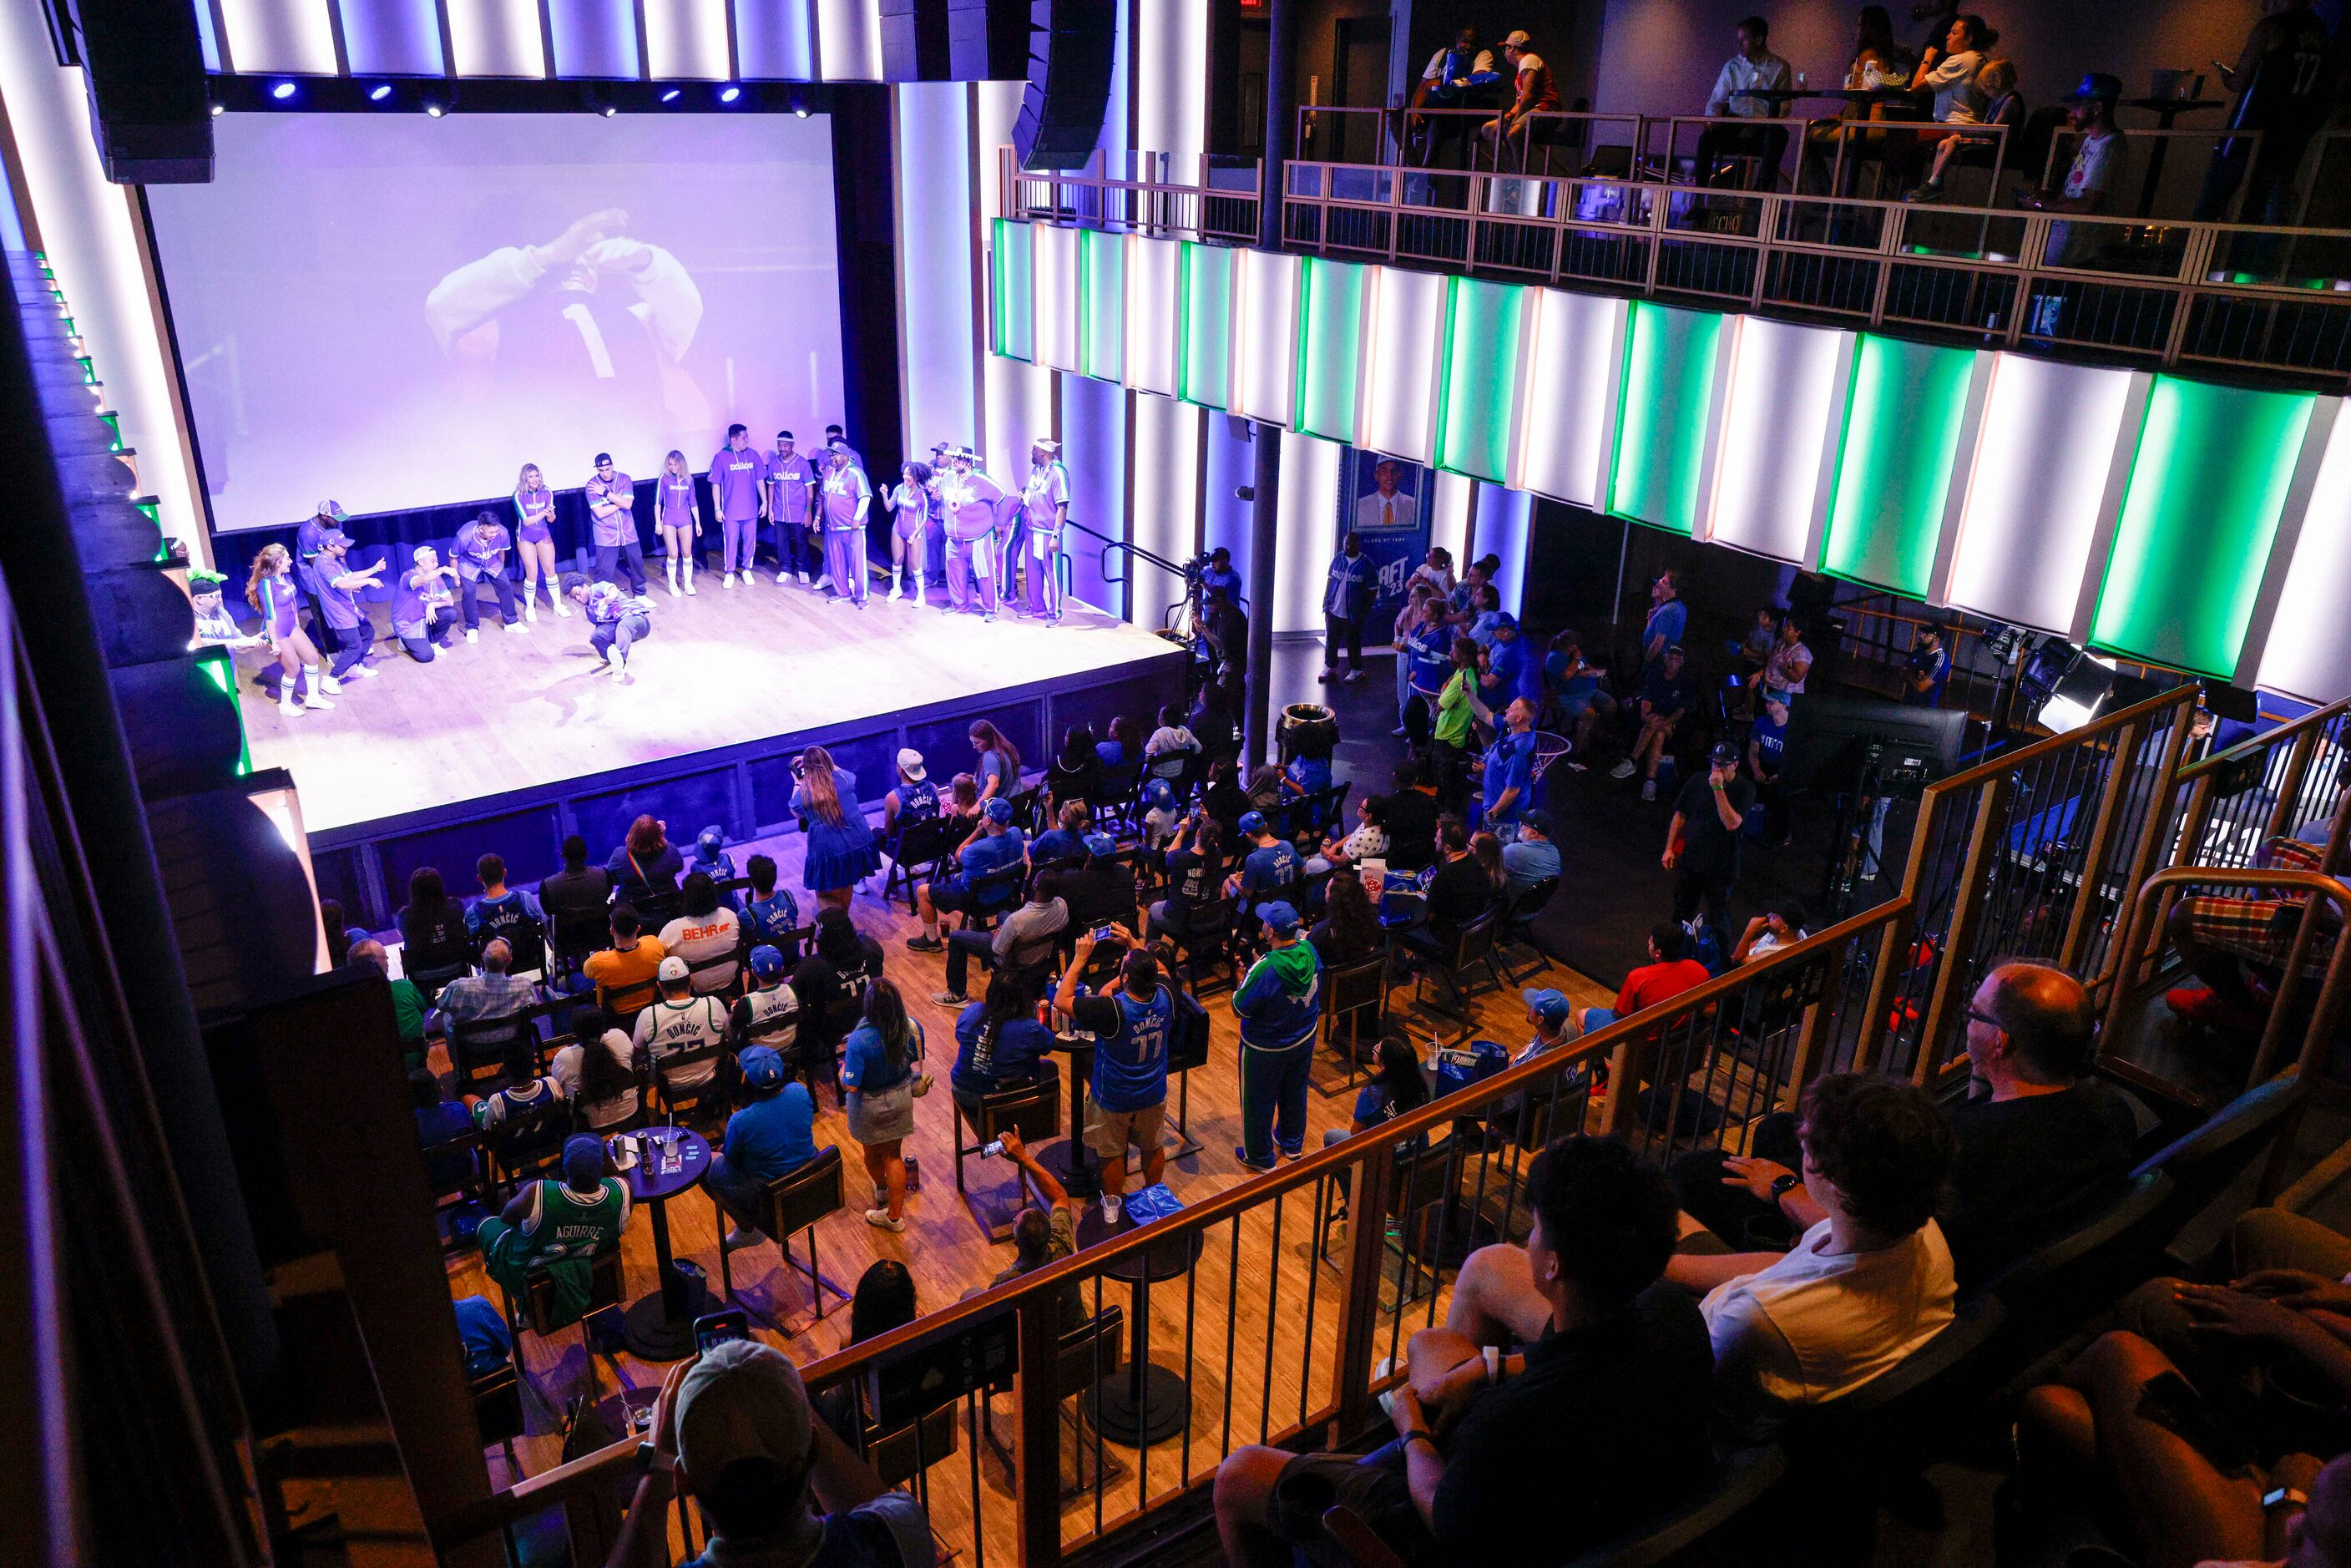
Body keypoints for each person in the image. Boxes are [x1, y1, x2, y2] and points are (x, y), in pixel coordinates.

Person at [1213, 1136, 1712, 1568]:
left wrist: (1412, 1432)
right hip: (1597, 1514)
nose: (1529, 1239)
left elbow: (1442, 1514)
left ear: (1553, 1266)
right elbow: (1573, 1358)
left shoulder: (1513, 1423)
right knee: (1429, 1345)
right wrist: (1487, 1367)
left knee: (1238, 1476)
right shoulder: (1675, 1317)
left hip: (1452, 1540)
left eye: (1536, 1228)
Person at [1668, 1073, 1957, 1434]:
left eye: (1806, 1144)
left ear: (1835, 1185)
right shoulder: (1924, 1235)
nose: (1800, 1143)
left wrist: (1641, 1264)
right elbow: (1793, 1269)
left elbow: (1687, 1388)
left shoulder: (1757, 1319)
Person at [602, 1338, 931, 1568]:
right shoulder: (897, 1535)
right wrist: (783, 1398)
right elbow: (882, 1508)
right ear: (813, 1447)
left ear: (683, 1481)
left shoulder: (895, 1530)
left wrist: (658, 1461)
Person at [1057, 926, 1175, 1221]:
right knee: (1152, 1147)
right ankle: (1154, 1200)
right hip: (1153, 1092)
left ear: (1124, 979)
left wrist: (1080, 958)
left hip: (1114, 1096)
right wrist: (1134, 945)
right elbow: (1161, 970)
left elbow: (1062, 1000)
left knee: (1111, 1154)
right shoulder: (1167, 994)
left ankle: (1112, 1207)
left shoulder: (1113, 1009)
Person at [2197, 0, 2332, 228]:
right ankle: (2252, 261)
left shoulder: (2271, 27)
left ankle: (2195, 257)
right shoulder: (2320, 30)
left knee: (2210, 204)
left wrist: (2225, 75)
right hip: (2289, 137)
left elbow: (2239, 81)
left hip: (2248, 133)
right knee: (2264, 210)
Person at [475, 1135, 630, 1320]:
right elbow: (617, 1178)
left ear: (564, 1168)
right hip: (594, 1272)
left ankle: (526, 1303)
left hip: (532, 1276)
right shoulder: (622, 1193)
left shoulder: (537, 1193)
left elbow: (506, 1218)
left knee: (485, 1225)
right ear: (602, 1167)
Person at [1231, 902, 1322, 1172]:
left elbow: (1239, 1008)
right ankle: (1292, 1143)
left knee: (1258, 1101)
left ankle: (1259, 1157)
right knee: (1295, 1090)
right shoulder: (1309, 950)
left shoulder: (1265, 968)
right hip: (1304, 1036)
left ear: (1270, 931)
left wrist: (1241, 977)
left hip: (1265, 1047)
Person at [705, 1046, 820, 1247]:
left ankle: (748, 1228)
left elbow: (731, 1159)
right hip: (809, 1185)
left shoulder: (741, 1121)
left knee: (707, 1167)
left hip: (770, 1194)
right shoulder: (799, 1092)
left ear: (746, 1081)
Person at [978, 1128, 1089, 1324]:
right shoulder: (1062, 1245)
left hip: (1035, 1349)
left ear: (1017, 1242)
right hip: (1077, 1336)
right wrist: (1024, 1157)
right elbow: (1060, 1196)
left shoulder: (1005, 1283)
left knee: (970, 1295)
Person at [840, 977, 923, 1232]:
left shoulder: (858, 1040)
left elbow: (851, 1085)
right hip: (900, 1097)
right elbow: (916, 1061)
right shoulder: (910, 1027)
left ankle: (883, 1190)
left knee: (872, 1153)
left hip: (868, 1104)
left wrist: (843, 1070)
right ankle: (894, 1216)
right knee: (893, 1156)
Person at [1318, 1030, 1431, 1216]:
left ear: (1385, 1065)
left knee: (1331, 1138)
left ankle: (1354, 1206)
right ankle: (1393, 1225)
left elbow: (1356, 1135)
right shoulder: (1420, 1086)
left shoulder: (1372, 1094)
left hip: (1386, 1162)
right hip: (1416, 1156)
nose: (1374, 1049)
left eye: (1378, 1050)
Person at [1890, 13, 1999, 198]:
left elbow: (1917, 86)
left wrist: (1927, 58)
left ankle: (1904, 192)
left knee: (1901, 141)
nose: (1948, 37)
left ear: (1969, 38)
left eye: (1954, 33)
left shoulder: (1960, 60)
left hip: (1955, 125)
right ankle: (1923, 186)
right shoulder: (1980, 59)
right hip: (1970, 124)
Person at [2028, 73, 2126, 270]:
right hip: (2068, 248)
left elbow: (2088, 204)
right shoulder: (2093, 141)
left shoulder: (2109, 147)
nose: (2072, 113)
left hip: (2078, 253)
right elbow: (2078, 191)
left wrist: (2044, 204)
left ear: (2097, 108)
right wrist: (2053, 198)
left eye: (2078, 106)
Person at [1666, 741, 1757, 952]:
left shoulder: (1745, 789)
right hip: (1692, 859)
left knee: (1718, 915)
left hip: (1721, 865)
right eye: (1715, 763)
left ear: (1735, 765)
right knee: (1681, 911)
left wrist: (1717, 788)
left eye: (1723, 765)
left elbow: (1731, 822)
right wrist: (1669, 847)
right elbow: (1681, 814)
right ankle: (1673, 954)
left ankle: (1722, 964)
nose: (1717, 769)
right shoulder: (1698, 780)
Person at [936, 867, 1067, 1008]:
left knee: (956, 938)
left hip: (1014, 961)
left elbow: (997, 950)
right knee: (1003, 914)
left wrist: (1000, 931)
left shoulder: (1017, 921)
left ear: (1036, 886)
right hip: (1042, 956)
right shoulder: (1062, 905)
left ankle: (957, 994)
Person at [909, 797, 1026, 951]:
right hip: (1007, 895)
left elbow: (958, 854)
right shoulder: (1017, 834)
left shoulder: (978, 849)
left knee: (922, 891)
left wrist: (977, 831)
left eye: (985, 814)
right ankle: (975, 923)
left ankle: (931, 940)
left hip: (977, 900)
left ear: (988, 821)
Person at [1906, 55, 2020, 200]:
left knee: (1954, 139)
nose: (1985, 93)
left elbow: (1994, 130)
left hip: (1998, 144)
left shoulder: (2010, 100)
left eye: (1987, 89)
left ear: (1997, 83)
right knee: (1942, 144)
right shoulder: (1998, 99)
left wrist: (1964, 130)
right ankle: (1933, 182)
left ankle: (1935, 183)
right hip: (1992, 138)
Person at [1699, 17, 1792, 189]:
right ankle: (1699, 197)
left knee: (1779, 135)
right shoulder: (1731, 67)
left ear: (1759, 40)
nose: (1739, 44)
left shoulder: (1780, 67)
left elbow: (1784, 107)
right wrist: (1713, 120)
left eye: (1744, 39)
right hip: (1735, 123)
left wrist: (1762, 122)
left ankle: (1760, 194)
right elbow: (1716, 100)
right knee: (1706, 139)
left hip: (1765, 127)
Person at [248, 543, 336, 716]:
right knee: (293, 668)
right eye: (286, 559)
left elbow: (293, 603)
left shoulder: (287, 578)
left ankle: (313, 698)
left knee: (312, 657)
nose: (290, 562)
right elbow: (271, 615)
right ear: (276, 563)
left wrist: (296, 625)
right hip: (276, 632)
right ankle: (285, 705)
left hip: (291, 627)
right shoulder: (266, 585)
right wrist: (274, 643)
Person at [1577, 922, 1711, 1035]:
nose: (1648, 942)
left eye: (1651, 941)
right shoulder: (1699, 970)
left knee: (1583, 1016)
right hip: (1678, 1039)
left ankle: (1601, 1066)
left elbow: (1619, 1014)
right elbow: (1710, 1010)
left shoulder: (1638, 977)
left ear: (1658, 952)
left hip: (1642, 1043)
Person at [793, 745, 881, 908]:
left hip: (829, 848)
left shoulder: (805, 791)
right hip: (859, 842)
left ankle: (832, 930)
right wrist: (821, 761)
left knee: (824, 893)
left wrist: (798, 782)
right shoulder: (846, 779)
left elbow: (796, 811)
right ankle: (843, 923)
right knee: (847, 881)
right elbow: (839, 770)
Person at [950, 967, 1054, 1101]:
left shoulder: (972, 1012)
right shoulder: (1029, 1028)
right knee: (1050, 1068)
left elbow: (960, 1037)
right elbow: (1049, 1044)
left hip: (961, 1088)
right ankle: (1033, 1119)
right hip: (998, 1098)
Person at [633, 954, 729, 1100]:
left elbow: (638, 1050)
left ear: (659, 985)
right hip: (709, 1076)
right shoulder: (713, 1005)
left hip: (667, 1085)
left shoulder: (648, 1016)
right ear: (690, 980)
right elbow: (727, 1035)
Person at [1406, 27, 1499, 169]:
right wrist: (1414, 110)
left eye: (1473, 43)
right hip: (1435, 106)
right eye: (1465, 42)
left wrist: (1444, 81)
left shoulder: (1483, 55)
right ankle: (1414, 166)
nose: (1468, 46)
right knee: (1396, 118)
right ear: (1457, 40)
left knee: (1437, 122)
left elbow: (1477, 78)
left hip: (1458, 112)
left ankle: (1425, 170)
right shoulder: (1442, 54)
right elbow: (1423, 86)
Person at [435, 938, 543, 1059]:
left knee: (446, 1017)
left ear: (482, 957)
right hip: (511, 1041)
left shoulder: (459, 987)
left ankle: (458, 1064)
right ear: (510, 961)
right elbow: (535, 1009)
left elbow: (442, 1005)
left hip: (472, 1046)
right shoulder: (524, 986)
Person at [1614, 644, 1696, 802]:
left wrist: (1664, 721)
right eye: (1670, 658)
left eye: (1677, 659)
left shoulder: (1685, 681)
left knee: (1657, 726)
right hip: (1654, 722)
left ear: (1682, 662)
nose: (1673, 662)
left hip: (1672, 723)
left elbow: (1680, 711)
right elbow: (1646, 701)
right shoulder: (1655, 675)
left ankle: (1632, 760)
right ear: (1665, 659)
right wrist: (1647, 716)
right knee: (1657, 734)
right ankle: (1650, 782)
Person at [308, 530, 385, 684]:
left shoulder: (335, 560)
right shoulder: (324, 563)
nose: (346, 548)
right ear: (330, 546)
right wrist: (369, 581)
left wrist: (374, 570)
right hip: (339, 611)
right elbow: (342, 584)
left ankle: (356, 667)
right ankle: (332, 678)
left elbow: (348, 577)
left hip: (348, 607)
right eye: (342, 546)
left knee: (367, 632)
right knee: (355, 646)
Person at [550, 1002, 640, 1132]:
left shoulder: (564, 1058)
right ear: (603, 1026)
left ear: (574, 1032)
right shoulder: (619, 1037)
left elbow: (560, 1092)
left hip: (591, 1126)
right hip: (631, 1114)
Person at [1479, 29, 1561, 169]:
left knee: (1513, 134)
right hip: (1533, 110)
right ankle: (1512, 162)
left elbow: (1528, 96)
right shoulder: (1523, 66)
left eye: (1505, 48)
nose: (1505, 52)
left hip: (1547, 110)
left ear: (1512, 49)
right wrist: (1509, 115)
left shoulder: (1529, 60)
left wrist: (1514, 121)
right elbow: (1521, 100)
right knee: (1488, 129)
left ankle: (1520, 176)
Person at [941, 444, 1005, 618]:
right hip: (954, 539)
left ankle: (990, 609)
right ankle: (959, 605)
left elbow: (1002, 497)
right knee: (954, 574)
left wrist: (999, 524)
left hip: (979, 538)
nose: (955, 461)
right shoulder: (947, 478)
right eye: (954, 458)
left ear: (968, 461)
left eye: (959, 458)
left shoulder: (981, 480)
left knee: (984, 574)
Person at [659, 872, 741, 994]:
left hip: (693, 993)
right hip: (730, 984)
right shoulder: (730, 916)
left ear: (685, 898)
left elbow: (658, 961)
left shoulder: (671, 930)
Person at [583, 904, 667, 1021]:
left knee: (575, 979)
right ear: (638, 928)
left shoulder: (597, 962)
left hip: (615, 1017)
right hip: (650, 1010)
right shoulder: (655, 945)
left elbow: (586, 972)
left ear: (611, 930)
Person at [399, 865, 473, 997]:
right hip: (456, 967)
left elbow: (404, 935)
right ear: (440, 886)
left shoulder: (404, 916)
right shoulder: (455, 906)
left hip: (421, 974)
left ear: (413, 891)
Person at [564, 572, 655, 679]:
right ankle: (613, 659)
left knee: (623, 624)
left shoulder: (597, 588)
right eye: (574, 598)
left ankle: (621, 663)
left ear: (584, 586)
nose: (578, 599)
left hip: (638, 621)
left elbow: (612, 590)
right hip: (622, 630)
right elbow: (602, 630)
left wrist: (608, 599)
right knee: (596, 636)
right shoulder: (590, 612)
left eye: (578, 594)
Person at [707, 424, 766, 589]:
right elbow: (715, 484)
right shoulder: (721, 457)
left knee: (750, 541)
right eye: (743, 438)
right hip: (731, 512)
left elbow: (760, 480)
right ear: (733, 439)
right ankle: (730, 572)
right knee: (731, 542)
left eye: (747, 437)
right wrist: (717, 508)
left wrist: (765, 502)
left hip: (751, 510)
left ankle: (747, 569)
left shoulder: (753, 455)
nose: (747, 440)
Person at [1430, 635, 1484, 813]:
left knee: (1446, 779)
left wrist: (1443, 691)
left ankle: (1450, 814)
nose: (1450, 654)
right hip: (1454, 734)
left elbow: (1441, 704)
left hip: (1449, 735)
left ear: (1462, 656)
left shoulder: (1462, 679)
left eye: (1454, 651)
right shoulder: (1467, 673)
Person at [351, 938, 427, 1060]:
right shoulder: (405, 988)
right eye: (384, 957)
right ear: (374, 963)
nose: (388, 960)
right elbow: (423, 1009)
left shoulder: (350, 1006)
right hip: (415, 1064)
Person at [1147, 812, 1220, 942]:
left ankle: (1150, 953)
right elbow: (1211, 839)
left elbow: (1169, 856)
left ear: (1198, 834)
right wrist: (1207, 821)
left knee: (1153, 909)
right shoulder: (1218, 856)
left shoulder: (1181, 858)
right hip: (1207, 918)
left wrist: (1181, 831)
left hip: (1181, 921)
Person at [470, 1035, 568, 1130]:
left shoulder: (496, 1103)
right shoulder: (552, 1085)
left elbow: (488, 1133)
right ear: (534, 1065)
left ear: (506, 1070)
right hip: (551, 1143)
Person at [1019, 438, 1070, 620]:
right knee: (1033, 572)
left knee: (1052, 574)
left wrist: (1056, 536)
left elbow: (1062, 508)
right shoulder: (1037, 469)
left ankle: (1055, 613)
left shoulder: (1058, 473)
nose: (1031, 452)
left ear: (1043, 452)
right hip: (1032, 529)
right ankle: (1035, 607)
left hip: (1048, 533)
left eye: (1033, 449)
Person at [817, 441, 872, 606]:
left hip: (852, 527)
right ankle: (842, 592)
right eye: (831, 454)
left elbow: (865, 497)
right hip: (833, 527)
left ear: (845, 456)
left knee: (857, 564)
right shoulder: (828, 472)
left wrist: (857, 518)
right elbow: (823, 496)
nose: (832, 457)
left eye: (835, 454)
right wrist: (817, 516)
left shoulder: (856, 473)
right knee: (837, 562)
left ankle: (862, 597)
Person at [1478, 696, 1540, 841]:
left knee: (1497, 857)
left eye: (1510, 710)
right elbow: (1485, 715)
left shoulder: (1519, 751)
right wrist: (1470, 695)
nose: (1506, 710)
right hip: (1493, 805)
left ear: (1518, 718)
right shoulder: (1510, 729)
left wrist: (1493, 814)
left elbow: (1512, 790)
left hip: (1503, 818)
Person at [512, 462, 567, 620]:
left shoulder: (547, 492)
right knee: (532, 573)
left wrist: (550, 515)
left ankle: (557, 605)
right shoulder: (518, 495)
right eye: (531, 476)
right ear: (525, 478)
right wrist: (544, 513)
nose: (535, 479)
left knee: (550, 569)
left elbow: (551, 519)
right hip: (525, 536)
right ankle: (530, 608)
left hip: (543, 533)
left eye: (537, 475)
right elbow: (527, 521)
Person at [584, 452, 646, 593]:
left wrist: (606, 494)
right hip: (605, 533)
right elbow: (600, 513)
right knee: (604, 571)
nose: (605, 473)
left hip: (627, 531)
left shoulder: (624, 479)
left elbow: (628, 505)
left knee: (637, 563)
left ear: (612, 466)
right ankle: (599, 599)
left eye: (608, 469)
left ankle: (640, 594)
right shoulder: (592, 485)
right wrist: (621, 501)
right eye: (601, 470)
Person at [766, 430, 820, 586]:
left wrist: (809, 511)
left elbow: (810, 489)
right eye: (779, 445)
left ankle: (803, 568)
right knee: (781, 542)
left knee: (801, 541)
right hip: (779, 510)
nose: (782, 448)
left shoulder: (802, 463)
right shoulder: (774, 464)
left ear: (792, 445)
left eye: (785, 445)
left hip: (799, 512)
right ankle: (786, 569)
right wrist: (770, 508)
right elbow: (771, 487)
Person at [1224, 811, 1301, 922]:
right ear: (1266, 825)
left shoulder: (1254, 858)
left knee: (1227, 883)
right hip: (1287, 899)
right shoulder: (1287, 845)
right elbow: (1303, 870)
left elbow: (1248, 892)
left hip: (1261, 906)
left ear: (1248, 835)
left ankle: (1232, 926)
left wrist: (1233, 880)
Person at [1321, 531, 1376, 684]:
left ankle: (1357, 670)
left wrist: (1364, 613)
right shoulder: (1338, 558)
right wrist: (1326, 602)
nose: (1348, 546)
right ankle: (1330, 667)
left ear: (1358, 545)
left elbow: (1372, 591)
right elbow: (1330, 580)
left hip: (1353, 613)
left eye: (1351, 544)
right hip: (1333, 609)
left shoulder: (1366, 564)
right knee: (1331, 640)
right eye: (1346, 543)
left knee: (1353, 643)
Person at [539, 834, 611, 943]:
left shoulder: (548, 886)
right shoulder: (604, 875)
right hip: (601, 936)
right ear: (586, 855)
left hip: (568, 942)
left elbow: (548, 911)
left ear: (562, 856)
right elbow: (607, 894)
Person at [654, 448, 705, 597]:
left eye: (676, 464)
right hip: (668, 519)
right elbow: (658, 502)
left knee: (687, 552)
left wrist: (698, 523)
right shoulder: (664, 478)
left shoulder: (689, 479)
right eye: (670, 464)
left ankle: (688, 584)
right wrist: (658, 522)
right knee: (673, 553)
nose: (673, 467)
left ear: (682, 464)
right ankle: (672, 584)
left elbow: (693, 502)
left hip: (685, 519)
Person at [881, 459, 933, 603]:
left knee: (915, 564)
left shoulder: (921, 494)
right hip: (897, 529)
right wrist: (885, 494)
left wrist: (915, 534)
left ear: (916, 476)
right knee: (897, 560)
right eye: (904, 474)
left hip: (914, 532)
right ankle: (896, 589)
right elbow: (889, 507)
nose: (905, 477)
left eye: (909, 474)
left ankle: (921, 595)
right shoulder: (899, 489)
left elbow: (925, 518)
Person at [608, 816, 684, 906]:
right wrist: (662, 837)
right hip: (669, 906)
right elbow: (679, 867)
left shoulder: (619, 856)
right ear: (658, 834)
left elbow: (613, 880)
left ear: (632, 834)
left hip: (634, 912)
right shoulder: (671, 850)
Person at [1749, 690, 1792, 846]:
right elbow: (1753, 750)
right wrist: (1756, 770)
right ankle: (1752, 826)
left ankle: (1783, 834)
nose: (1767, 705)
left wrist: (1781, 775)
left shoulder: (1792, 730)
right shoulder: (1762, 722)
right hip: (1764, 764)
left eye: (1771, 702)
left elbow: (1795, 759)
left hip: (1782, 769)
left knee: (1781, 795)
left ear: (1783, 705)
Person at [1310, 792, 1388, 874]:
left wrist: (1326, 853)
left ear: (1369, 816)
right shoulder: (1375, 825)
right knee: (1318, 857)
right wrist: (1335, 846)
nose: (1358, 807)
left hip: (1349, 872)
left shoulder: (1362, 839)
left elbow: (1341, 862)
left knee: (1311, 863)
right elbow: (1351, 836)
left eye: (1361, 806)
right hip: (1354, 862)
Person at [1500, 807, 1560, 897]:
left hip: (1509, 904)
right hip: (1535, 907)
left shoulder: (1515, 851)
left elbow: (1489, 870)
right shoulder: (1555, 853)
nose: (1520, 826)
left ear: (1534, 834)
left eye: (1524, 824)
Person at [882, 747, 940, 836]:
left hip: (908, 848)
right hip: (935, 844)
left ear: (900, 769)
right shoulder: (933, 787)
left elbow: (889, 832)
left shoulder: (892, 797)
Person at [1732, 899, 1810, 965]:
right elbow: (1760, 942)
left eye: (1775, 916)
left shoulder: (1772, 955)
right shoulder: (1792, 932)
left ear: (1784, 928)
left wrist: (1750, 930)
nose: (1769, 915)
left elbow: (1738, 961)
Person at [1142, 703, 1200, 783]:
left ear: (1165, 718)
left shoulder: (1159, 733)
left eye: (1160, 715)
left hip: (1158, 775)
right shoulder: (1185, 731)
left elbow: (1146, 758)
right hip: (1178, 774)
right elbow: (1198, 749)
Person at [968, 720, 1023, 803]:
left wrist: (977, 806)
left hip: (999, 809)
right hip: (1017, 802)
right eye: (973, 743)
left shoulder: (990, 756)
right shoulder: (1008, 748)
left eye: (977, 742)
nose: (974, 747)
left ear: (988, 739)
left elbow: (993, 783)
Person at [1762, 615, 1812, 698]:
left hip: (1784, 694)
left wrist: (1788, 669)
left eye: (1789, 627)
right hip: (1770, 686)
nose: (1784, 629)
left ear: (1798, 632)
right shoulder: (1781, 642)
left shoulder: (1802, 652)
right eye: (1785, 626)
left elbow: (1797, 678)